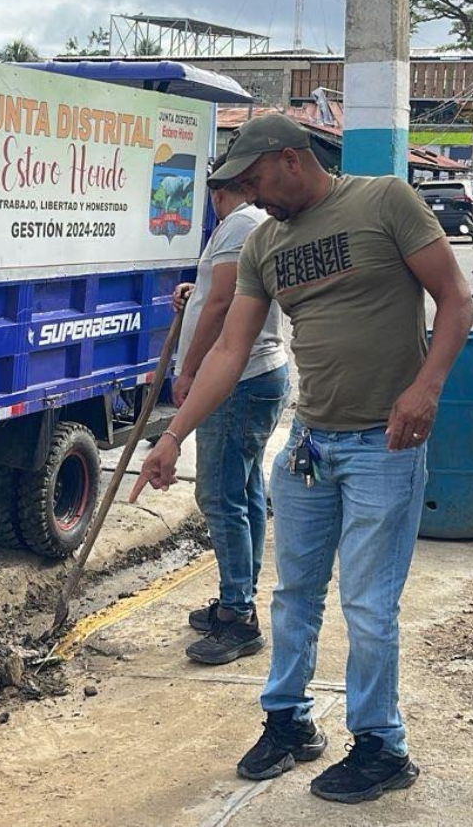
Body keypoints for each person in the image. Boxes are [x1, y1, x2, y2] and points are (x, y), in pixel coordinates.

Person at [138, 113, 472, 805]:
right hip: (309, 443)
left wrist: (426, 388)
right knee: (292, 594)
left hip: (385, 442)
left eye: (258, 181)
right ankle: (287, 722)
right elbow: (231, 350)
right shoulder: (264, 243)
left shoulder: (384, 201)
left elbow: (455, 299)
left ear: (290, 160)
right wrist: (173, 435)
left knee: (368, 605)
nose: (255, 197)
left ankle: (382, 745)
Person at [174, 182, 288, 666]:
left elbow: (221, 306)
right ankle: (234, 599)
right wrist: (195, 289)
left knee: (220, 496)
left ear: (220, 191)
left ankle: (239, 616)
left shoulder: (240, 224)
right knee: (244, 493)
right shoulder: (252, 225)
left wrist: (190, 371)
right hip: (260, 374)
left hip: (237, 382)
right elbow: (222, 292)